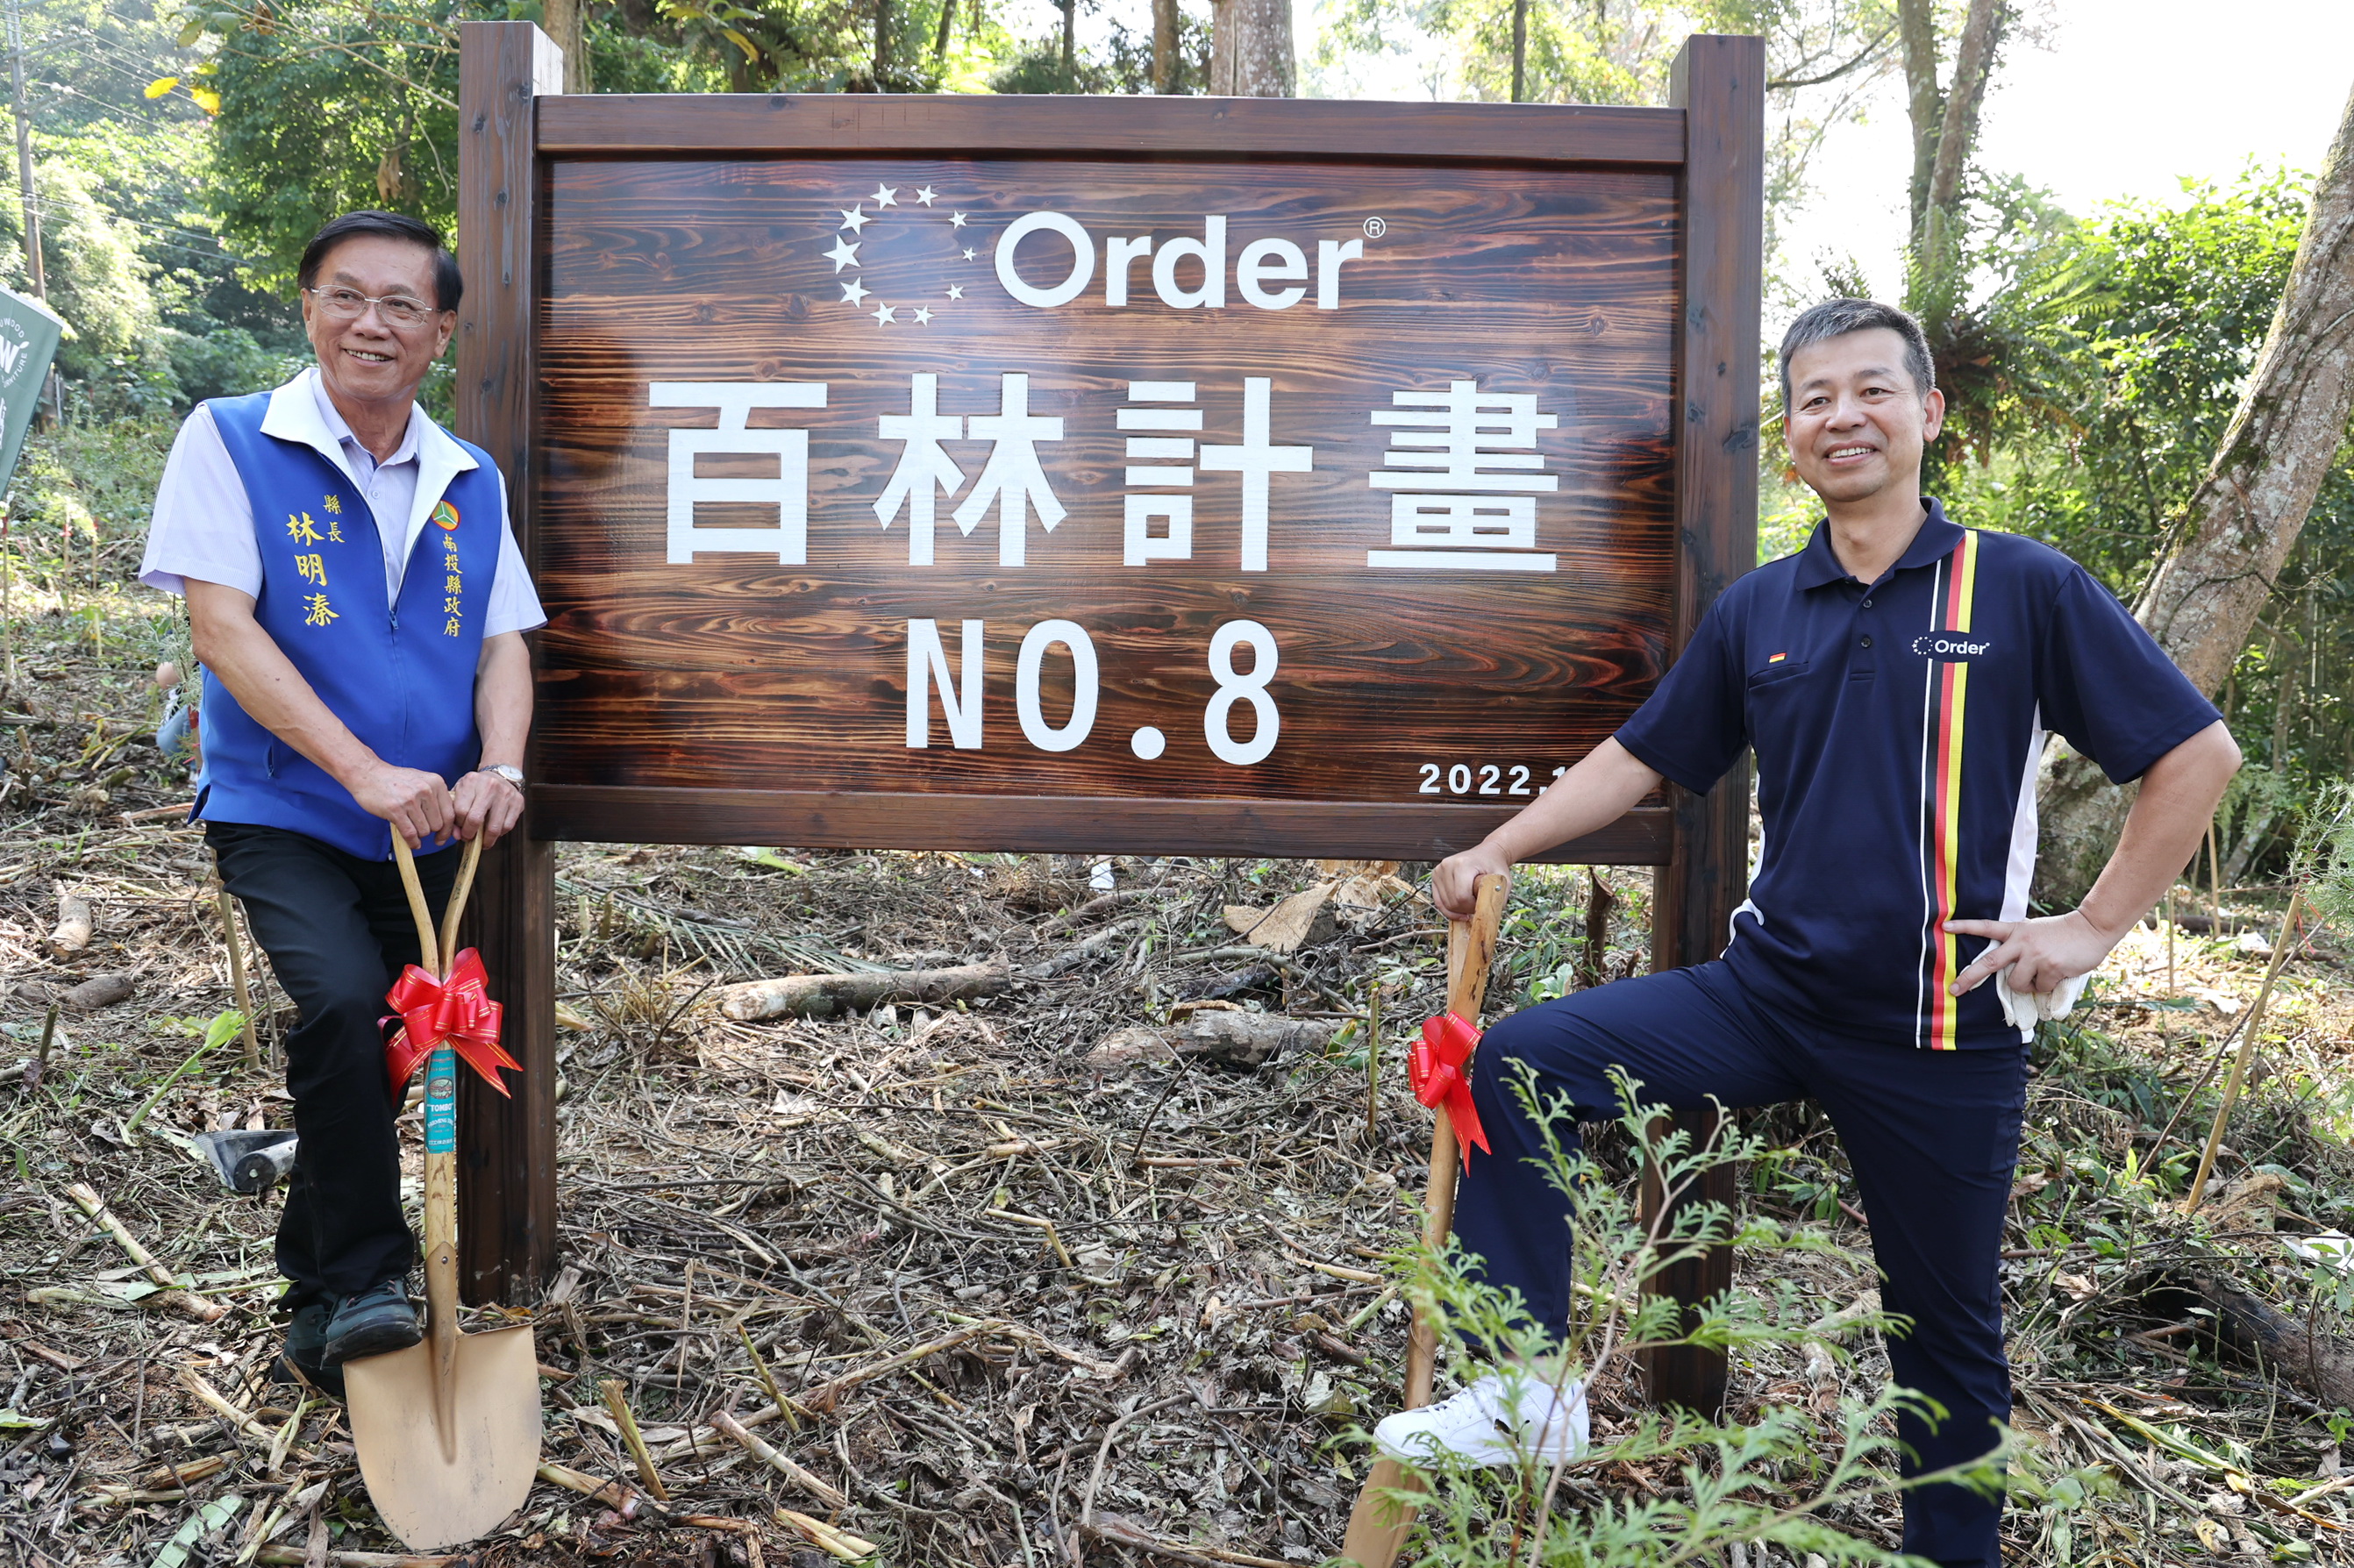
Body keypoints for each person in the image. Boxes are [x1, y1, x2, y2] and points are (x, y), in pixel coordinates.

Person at [1372, 298, 2240, 1566]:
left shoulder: (2026, 587)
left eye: (1872, 391)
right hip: (1763, 996)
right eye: (1816, 399)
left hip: (1941, 1029)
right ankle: (1524, 1389)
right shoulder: (1764, 607)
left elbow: (2195, 752)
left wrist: (2096, 926)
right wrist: (1502, 845)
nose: (1845, 417)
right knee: (1513, 1065)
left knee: (1940, 1337)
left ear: (1928, 415)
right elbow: (1640, 756)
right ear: (1790, 438)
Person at [138, 210, 545, 1396]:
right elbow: (221, 627)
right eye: (347, 296)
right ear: (308, 310)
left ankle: (315, 1290)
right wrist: (363, 771)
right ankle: (371, 1275)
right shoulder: (229, 442)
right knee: (344, 1004)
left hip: (437, 831)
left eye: (402, 305)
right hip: (288, 809)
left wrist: (502, 767)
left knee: (400, 1037)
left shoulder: (470, 478)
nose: (373, 322)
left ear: (440, 336)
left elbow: (505, 642)